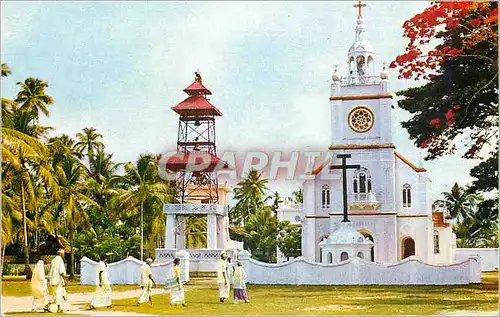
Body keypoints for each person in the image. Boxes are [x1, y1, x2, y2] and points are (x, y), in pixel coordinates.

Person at [48, 249, 67, 313]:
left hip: (53, 279)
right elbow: (61, 271)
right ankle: (58, 308)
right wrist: (65, 280)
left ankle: (48, 306)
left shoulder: (53, 260)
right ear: (61, 254)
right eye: (63, 254)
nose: (64, 255)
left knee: (54, 293)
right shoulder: (60, 260)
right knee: (58, 293)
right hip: (58, 279)